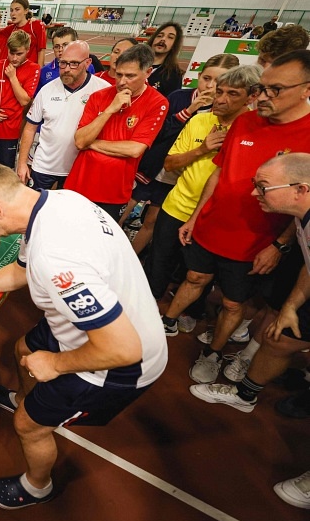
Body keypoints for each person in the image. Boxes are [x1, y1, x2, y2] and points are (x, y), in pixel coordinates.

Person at [0, 160, 167, 510]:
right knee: (23, 349)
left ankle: (37, 486)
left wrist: (56, 363)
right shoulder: (57, 202)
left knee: (28, 427)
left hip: (118, 364)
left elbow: (123, 348)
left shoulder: (56, 258)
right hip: (88, 329)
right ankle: (24, 401)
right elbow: (21, 271)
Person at [160, 51, 310, 384]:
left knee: (231, 303)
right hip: (211, 226)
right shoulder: (245, 120)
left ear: (306, 90)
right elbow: (218, 174)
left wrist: (278, 244)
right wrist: (195, 217)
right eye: (263, 88)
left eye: (275, 90)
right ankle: (166, 323)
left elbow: (304, 202)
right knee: (194, 279)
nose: (263, 97)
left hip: (254, 242)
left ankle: (213, 353)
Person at [146, 65, 259, 323]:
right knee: (158, 264)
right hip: (175, 206)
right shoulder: (199, 120)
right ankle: (148, 306)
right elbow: (169, 164)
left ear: (251, 97)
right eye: (219, 91)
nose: (220, 99)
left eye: (232, 94)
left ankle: (184, 315)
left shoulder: (252, 132)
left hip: (213, 219)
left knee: (196, 275)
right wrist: (201, 150)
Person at [124, 53, 240, 255]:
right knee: (125, 207)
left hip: (181, 178)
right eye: (206, 79)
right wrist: (190, 110)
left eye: (218, 82)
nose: (210, 86)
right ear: (199, 76)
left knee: (152, 220)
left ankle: (131, 259)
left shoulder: (226, 112)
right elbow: (158, 132)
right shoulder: (179, 97)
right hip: (154, 166)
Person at [64, 44, 168, 221]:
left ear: (148, 73)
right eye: (119, 74)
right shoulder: (99, 96)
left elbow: (134, 149)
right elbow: (81, 141)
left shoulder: (157, 103)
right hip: (79, 184)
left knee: (100, 244)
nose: (121, 81)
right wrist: (110, 109)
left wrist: (93, 143)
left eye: (130, 76)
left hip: (113, 192)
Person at [18, 40, 110, 190]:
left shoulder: (102, 90)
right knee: (35, 207)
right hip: (43, 166)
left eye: (74, 64)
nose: (66, 69)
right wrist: (22, 163)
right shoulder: (47, 90)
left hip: (78, 168)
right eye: (63, 63)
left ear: (87, 63)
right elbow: (30, 128)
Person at [0, 31, 40, 169]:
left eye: (19, 54)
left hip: (10, 132)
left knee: (5, 171)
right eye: (12, 53)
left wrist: (12, 77)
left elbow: (24, 100)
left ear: (27, 50)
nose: (14, 58)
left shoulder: (33, 69)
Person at [36, 27, 96, 93]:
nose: (60, 49)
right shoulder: (44, 71)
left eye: (65, 45)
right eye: (57, 46)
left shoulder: (87, 67)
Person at [0, 0, 47, 68]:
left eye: (17, 10)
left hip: (30, 70)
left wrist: (39, 70)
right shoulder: (10, 29)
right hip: (14, 70)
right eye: (11, 10)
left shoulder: (36, 25)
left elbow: (41, 50)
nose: (13, 13)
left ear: (26, 11)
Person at [146, 22, 184, 96]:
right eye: (159, 36)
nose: (163, 39)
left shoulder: (174, 75)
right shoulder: (135, 62)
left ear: (174, 44)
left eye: (170, 37)